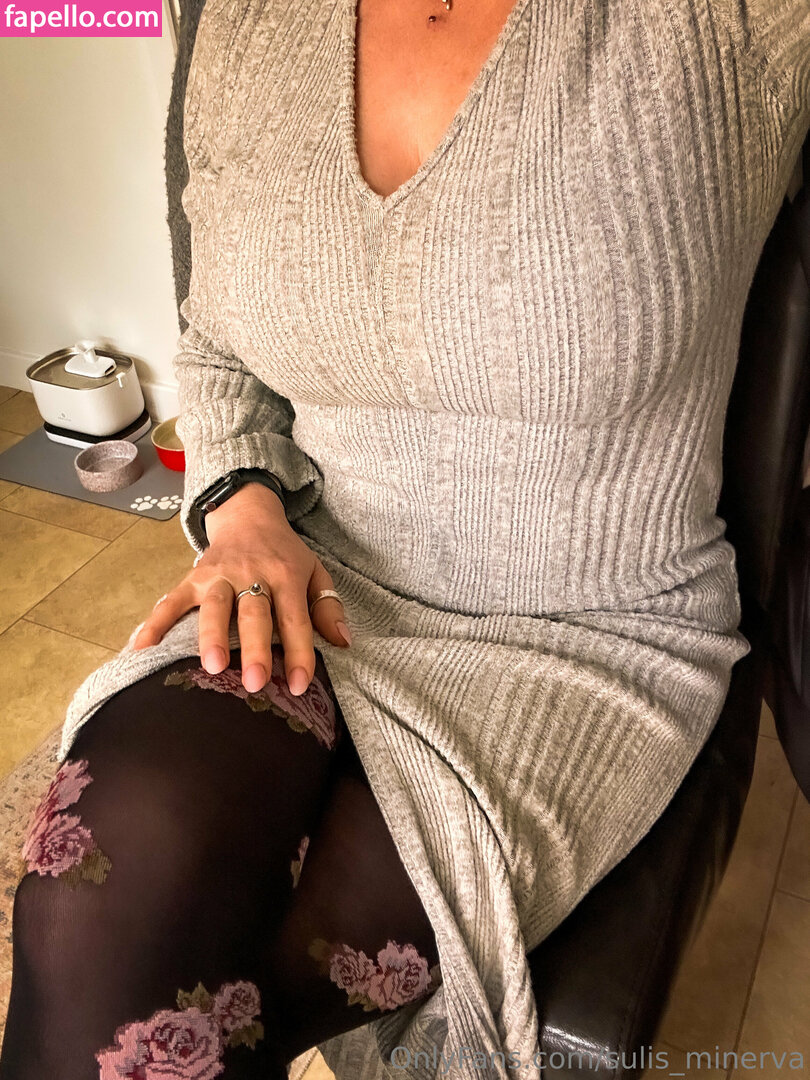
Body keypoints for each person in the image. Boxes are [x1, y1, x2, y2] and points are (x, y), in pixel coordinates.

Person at [2, 0, 809, 1076]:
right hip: (319, 582)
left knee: (193, 1013)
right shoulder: (238, 17)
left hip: (585, 633)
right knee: (96, 897)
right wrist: (242, 503)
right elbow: (216, 334)